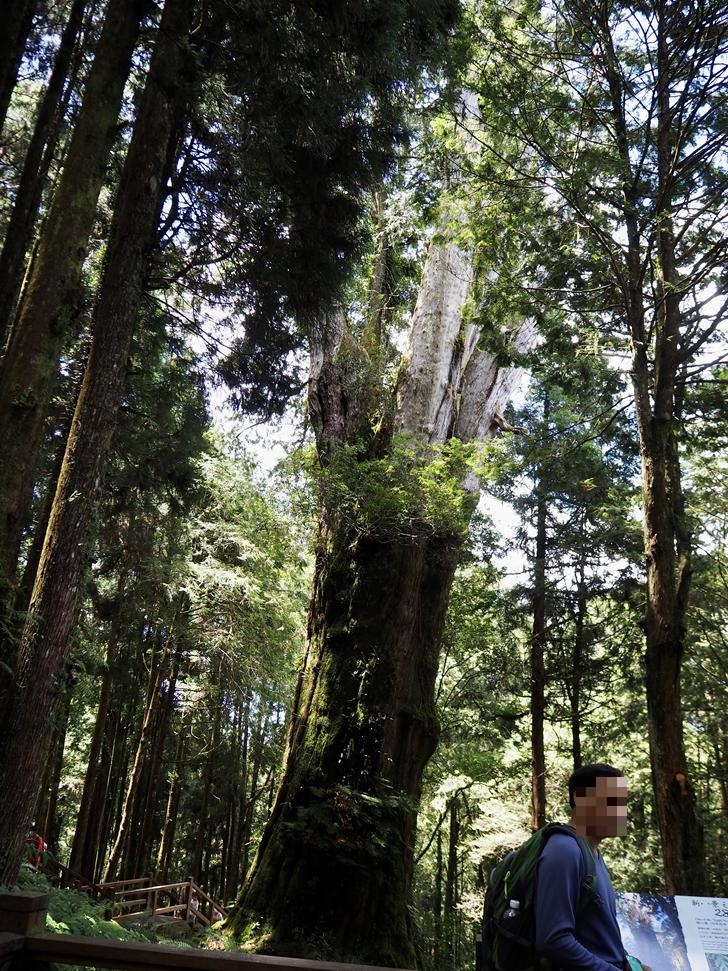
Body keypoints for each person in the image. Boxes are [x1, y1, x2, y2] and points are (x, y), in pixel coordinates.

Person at [534, 763, 653, 971]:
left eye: (623, 802)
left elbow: (597, 937)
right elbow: (554, 940)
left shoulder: (592, 853)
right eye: (613, 800)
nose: (623, 811)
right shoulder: (564, 851)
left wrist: (630, 964)